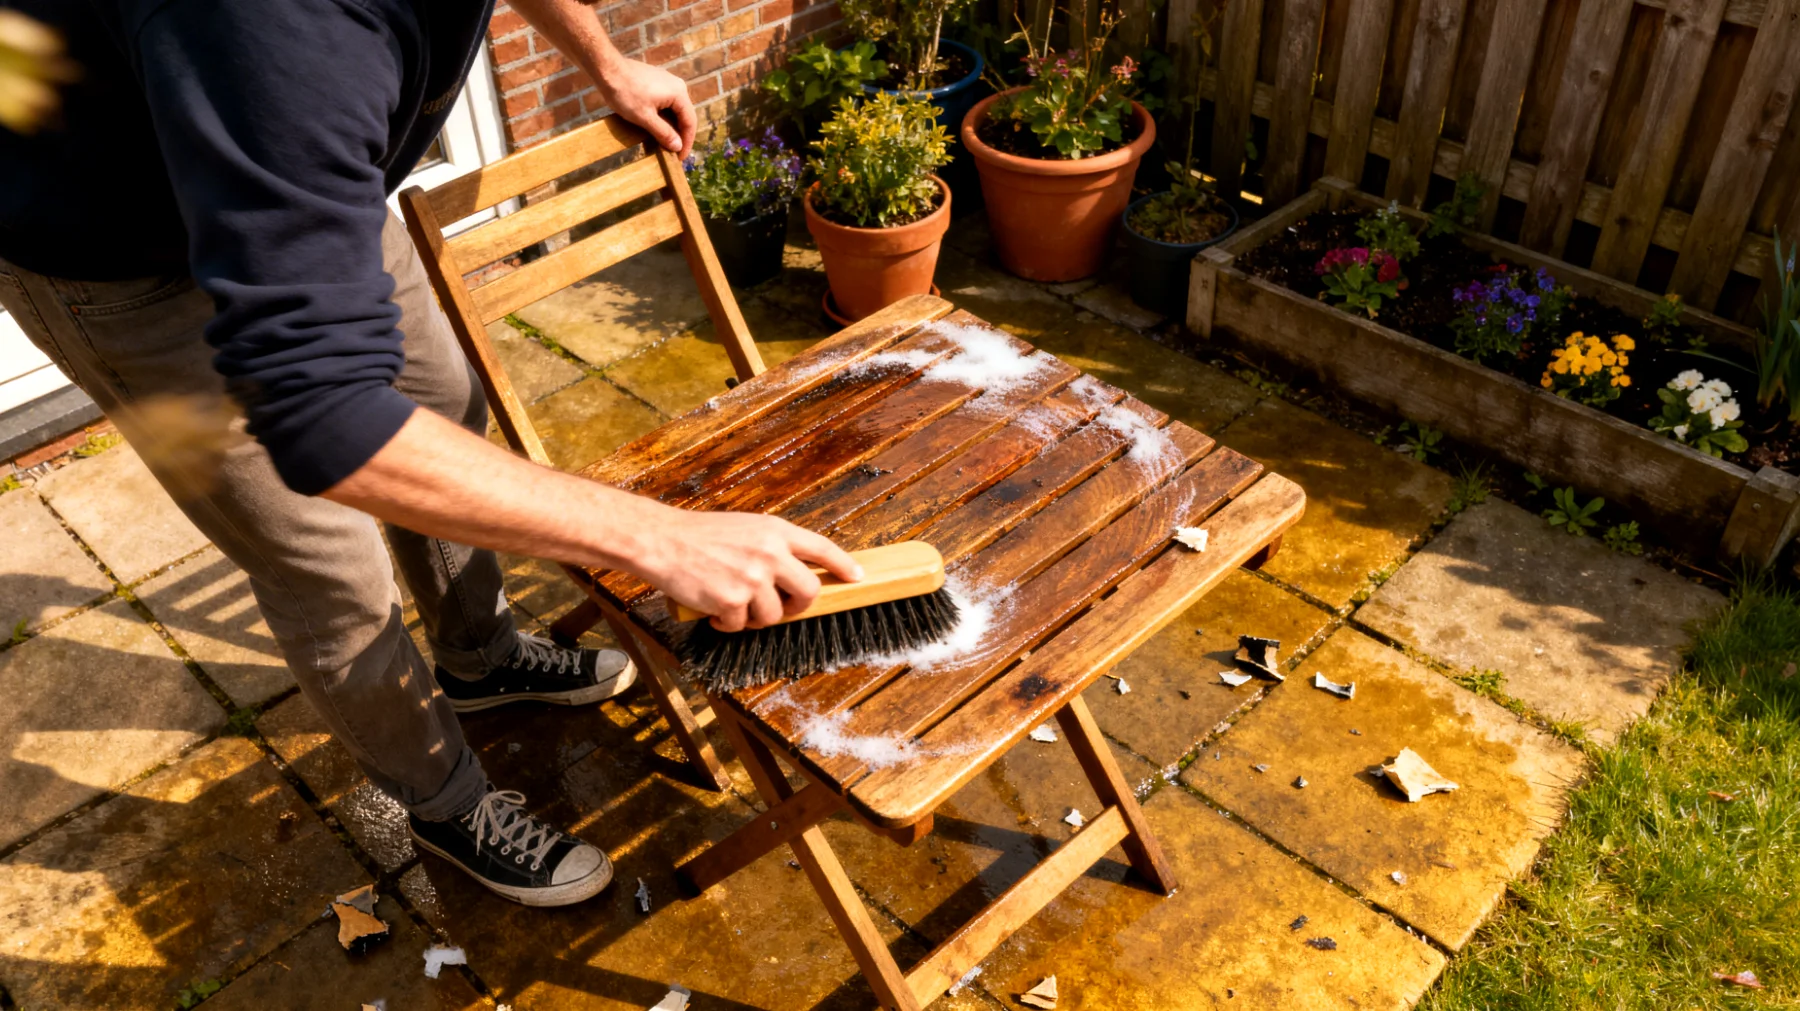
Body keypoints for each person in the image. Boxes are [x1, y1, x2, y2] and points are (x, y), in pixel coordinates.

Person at [0, 0, 860, 909]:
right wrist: (659, 537)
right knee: (327, 567)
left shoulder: (299, 70)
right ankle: (444, 802)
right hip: (124, 257)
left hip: (300, 180)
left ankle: (481, 657)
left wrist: (605, 62)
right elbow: (325, 421)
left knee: (445, 403)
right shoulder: (272, 21)